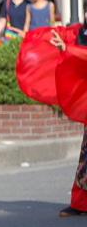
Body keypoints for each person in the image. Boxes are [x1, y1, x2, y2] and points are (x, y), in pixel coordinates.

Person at [17, 24, 87, 217]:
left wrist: (69, 50)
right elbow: (68, 33)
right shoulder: (83, 30)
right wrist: (48, 38)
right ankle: (81, 203)